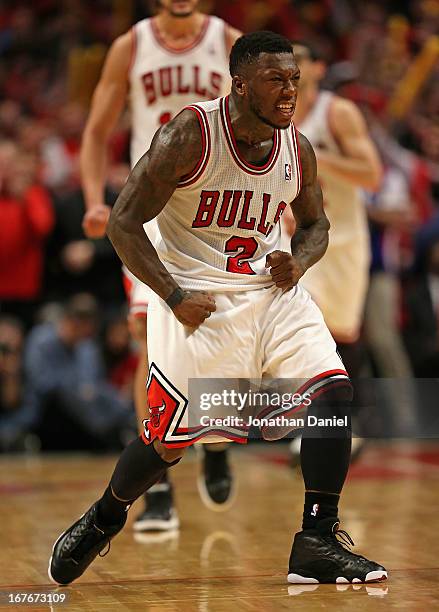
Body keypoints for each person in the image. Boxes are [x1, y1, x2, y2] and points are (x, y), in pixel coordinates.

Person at [49, 31, 387, 586]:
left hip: (268, 288)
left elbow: (317, 224)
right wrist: (174, 296)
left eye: (294, 80)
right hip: (194, 294)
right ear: (240, 84)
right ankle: (105, 516)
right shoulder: (189, 133)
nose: (289, 92)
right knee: (167, 442)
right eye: (276, 80)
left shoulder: (295, 147)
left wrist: (298, 262)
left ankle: (317, 539)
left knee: (333, 392)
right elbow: (123, 224)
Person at [80, 0, 242, 530]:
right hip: (148, 209)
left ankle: (214, 444)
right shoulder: (131, 45)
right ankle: (159, 484)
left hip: (216, 209)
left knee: (222, 337)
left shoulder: (230, 41)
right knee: (148, 336)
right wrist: (93, 200)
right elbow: (97, 130)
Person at [282, 43, 382, 460]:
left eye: (300, 63)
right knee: (302, 328)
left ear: (319, 68)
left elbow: (372, 174)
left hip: (342, 240)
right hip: (295, 237)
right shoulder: (274, 116)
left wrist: (315, 157)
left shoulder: (337, 113)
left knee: (341, 336)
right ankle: (313, 424)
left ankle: (342, 426)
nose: (292, 72)